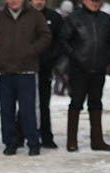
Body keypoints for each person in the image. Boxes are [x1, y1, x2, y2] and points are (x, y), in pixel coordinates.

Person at [0, 0, 51, 156]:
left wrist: (32, 50)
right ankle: (10, 143)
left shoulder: (35, 16)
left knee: (27, 110)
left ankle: (33, 143)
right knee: (7, 110)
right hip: (5, 71)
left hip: (26, 71)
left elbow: (46, 35)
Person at [60, 0, 110, 152]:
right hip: (78, 70)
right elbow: (63, 40)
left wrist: (108, 58)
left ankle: (97, 140)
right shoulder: (74, 17)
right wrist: (74, 57)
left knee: (96, 103)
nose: (95, 3)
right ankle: (72, 141)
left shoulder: (105, 19)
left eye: (98, 1)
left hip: (98, 69)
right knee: (76, 103)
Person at [31, 0, 63, 149]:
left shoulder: (54, 17)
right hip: (25, 66)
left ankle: (46, 136)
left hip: (45, 67)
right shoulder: (24, 16)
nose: (39, 2)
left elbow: (60, 41)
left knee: (44, 103)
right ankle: (21, 134)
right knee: (25, 103)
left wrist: (51, 58)